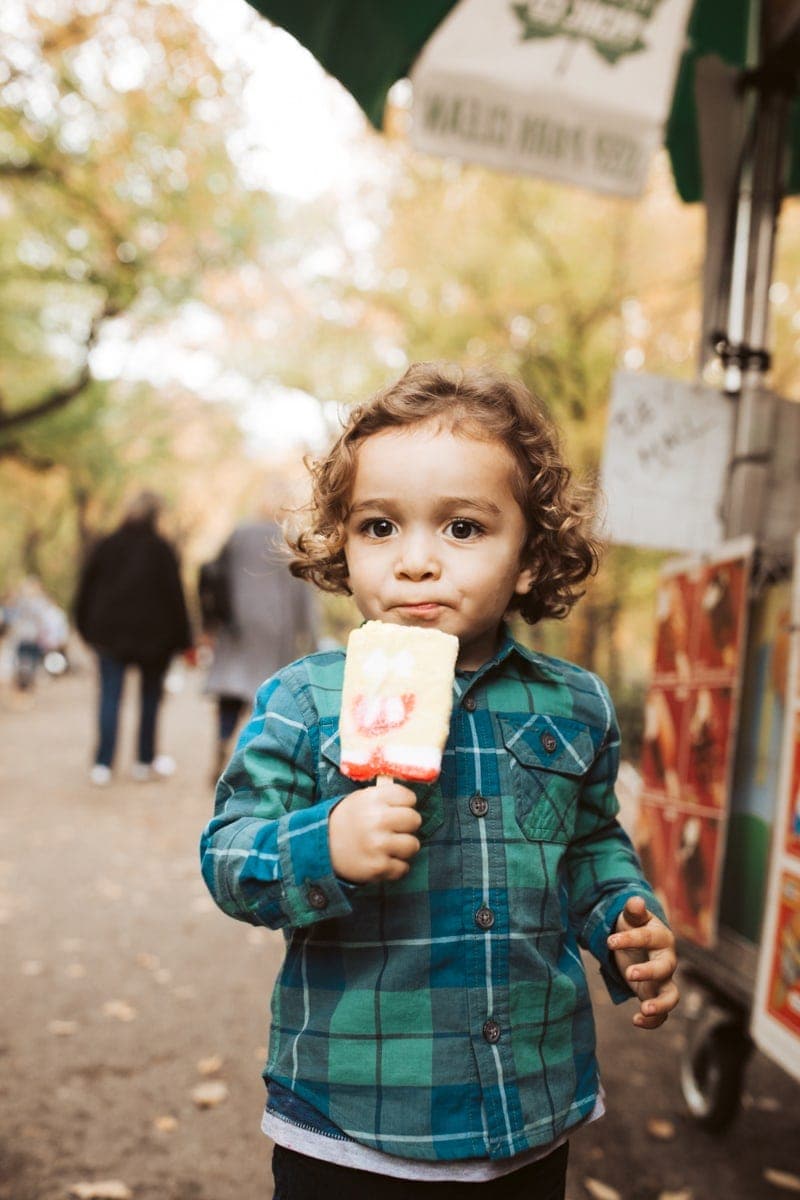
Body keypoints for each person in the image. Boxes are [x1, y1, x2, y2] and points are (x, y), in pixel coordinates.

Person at [200, 363, 678, 1199]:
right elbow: (231, 858)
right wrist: (327, 844)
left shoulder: (574, 704)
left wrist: (623, 922)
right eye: (380, 527)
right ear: (342, 549)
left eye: (462, 529)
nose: (416, 561)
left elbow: (590, 844)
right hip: (351, 1121)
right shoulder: (303, 702)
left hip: (529, 1109)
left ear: (529, 557)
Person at [74, 490, 192, 786]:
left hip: (109, 637)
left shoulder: (106, 545)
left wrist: (85, 628)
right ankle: (143, 760)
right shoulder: (163, 549)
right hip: (155, 640)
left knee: (110, 697)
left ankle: (102, 764)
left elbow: (85, 590)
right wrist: (183, 639)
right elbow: (176, 597)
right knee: (150, 699)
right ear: (156, 515)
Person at [201, 505, 317, 781]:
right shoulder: (288, 541)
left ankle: (222, 740)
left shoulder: (239, 534)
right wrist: (310, 640)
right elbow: (304, 593)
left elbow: (214, 574)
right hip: (276, 629)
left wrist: (212, 621)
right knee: (266, 697)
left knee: (231, 692)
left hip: (237, 627)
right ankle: (254, 759)